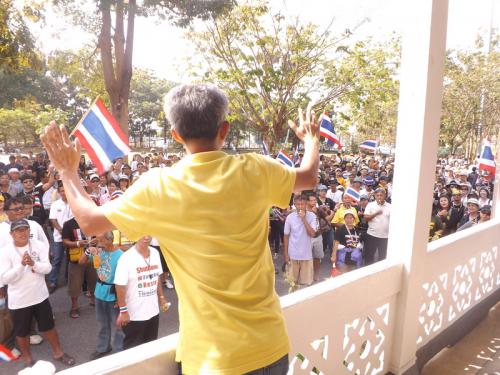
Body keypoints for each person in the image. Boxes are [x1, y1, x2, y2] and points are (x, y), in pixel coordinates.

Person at [41, 84, 320, 374]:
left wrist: (67, 171)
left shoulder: (159, 186)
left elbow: (90, 222)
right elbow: (309, 177)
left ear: (176, 135)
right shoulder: (256, 169)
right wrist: (311, 139)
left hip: (214, 359)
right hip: (270, 346)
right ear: (224, 129)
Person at [0, 219, 75, 367]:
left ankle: (58, 353)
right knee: (22, 333)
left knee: (49, 327)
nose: (22, 233)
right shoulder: (5, 251)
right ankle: (28, 360)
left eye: (25, 229)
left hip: (40, 296)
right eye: (18, 230)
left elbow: (47, 268)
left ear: (29, 231)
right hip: (19, 300)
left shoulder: (39, 245)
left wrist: (33, 264)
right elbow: (4, 278)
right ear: (11, 234)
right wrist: (22, 266)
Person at [114, 236, 169, 350]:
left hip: (153, 311)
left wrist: (162, 297)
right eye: (141, 234)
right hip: (134, 315)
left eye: (148, 233)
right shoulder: (126, 258)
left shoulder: (155, 253)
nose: (146, 237)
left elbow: (157, 276)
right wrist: (123, 311)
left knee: (150, 347)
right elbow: (119, 286)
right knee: (133, 350)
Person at [79, 231, 125, 359]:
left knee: (118, 325)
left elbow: (125, 279)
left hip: (113, 294)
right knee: (102, 323)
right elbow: (81, 262)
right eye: (97, 240)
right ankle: (103, 347)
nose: (98, 243)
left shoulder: (121, 255)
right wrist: (88, 251)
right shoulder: (98, 251)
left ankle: (119, 350)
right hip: (99, 292)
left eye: (101, 241)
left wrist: (121, 299)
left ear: (110, 240)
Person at [62, 217, 97, 318]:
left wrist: (97, 240)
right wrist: (77, 243)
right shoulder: (68, 223)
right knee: (75, 283)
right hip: (76, 258)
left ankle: (94, 301)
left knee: (94, 280)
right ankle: (74, 306)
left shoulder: (92, 220)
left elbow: (99, 235)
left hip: (92, 256)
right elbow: (65, 241)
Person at [284, 195, 318, 286]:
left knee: (306, 284)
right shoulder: (290, 217)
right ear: (294, 204)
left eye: (302, 204)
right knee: (292, 283)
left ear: (306, 204)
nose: (300, 206)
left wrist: (303, 219)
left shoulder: (312, 216)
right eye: (297, 204)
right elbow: (286, 236)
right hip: (293, 255)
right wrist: (286, 254)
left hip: (306, 255)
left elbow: (312, 234)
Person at [48, 184, 73, 293]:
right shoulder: (55, 204)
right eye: (62, 191)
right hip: (59, 237)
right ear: (59, 192)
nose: (64, 192)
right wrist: (62, 231)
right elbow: (53, 220)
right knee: (57, 259)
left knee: (71, 259)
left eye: (66, 190)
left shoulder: (74, 203)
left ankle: (69, 280)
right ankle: (52, 282)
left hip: (72, 237)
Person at [363, 188, 391, 265]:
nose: (379, 197)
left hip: (385, 237)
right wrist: (376, 213)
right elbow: (366, 218)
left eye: (381, 195)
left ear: (385, 196)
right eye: (377, 195)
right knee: (369, 257)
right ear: (375, 196)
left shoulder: (390, 206)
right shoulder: (370, 205)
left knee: (383, 258)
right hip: (372, 235)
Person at [306, 194, 324, 282]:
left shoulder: (318, 209)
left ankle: (316, 274)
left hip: (318, 236)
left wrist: (332, 212)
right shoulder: (304, 211)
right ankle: (308, 275)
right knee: (307, 257)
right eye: (312, 200)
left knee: (317, 257)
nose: (314, 202)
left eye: (315, 200)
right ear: (307, 201)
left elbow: (326, 217)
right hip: (307, 237)